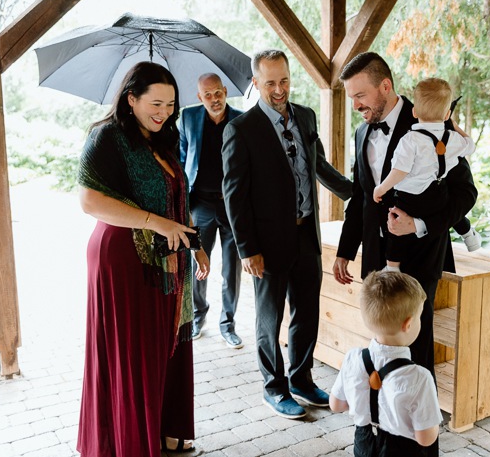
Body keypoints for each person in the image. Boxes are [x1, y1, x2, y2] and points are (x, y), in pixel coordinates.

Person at [332, 52, 477, 455]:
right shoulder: (364, 134)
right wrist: (347, 251)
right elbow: (361, 196)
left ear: (386, 87)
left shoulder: (433, 126)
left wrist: (419, 225)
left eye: (361, 95)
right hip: (377, 262)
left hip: (420, 263)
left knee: (416, 354)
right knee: (381, 348)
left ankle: (420, 446)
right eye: (351, 98)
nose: (356, 105)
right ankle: (376, 438)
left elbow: (466, 193)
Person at [77, 61, 210, 456]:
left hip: (168, 261)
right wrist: (155, 224)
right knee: (133, 353)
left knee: (163, 345)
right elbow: (89, 201)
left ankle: (162, 428)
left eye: (170, 104)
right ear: (130, 99)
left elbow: (176, 200)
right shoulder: (106, 138)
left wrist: (195, 243)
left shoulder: (163, 139)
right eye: (155, 102)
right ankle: (130, 440)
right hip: (122, 259)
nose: (164, 111)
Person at [222, 49, 353, 419]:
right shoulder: (241, 129)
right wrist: (247, 250)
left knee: (306, 313)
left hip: (306, 236)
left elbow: (319, 166)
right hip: (265, 244)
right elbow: (235, 195)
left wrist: (356, 194)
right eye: (270, 83)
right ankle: (274, 388)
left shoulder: (307, 116)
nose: (279, 90)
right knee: (269, 319)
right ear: (255, 83)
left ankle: (301, 379)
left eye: (284, 80)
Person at [330, 271, 442, 457]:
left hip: (364, 442)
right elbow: (426, 438)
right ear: (408, 324)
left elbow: (336, 405)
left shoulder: (352, 358)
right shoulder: (419, 377)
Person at [373, 77, 477, 272]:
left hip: (410, 198)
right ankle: (469, 235)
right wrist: (454, 127)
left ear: (414, 112)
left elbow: (400, 171)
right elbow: (470, 145)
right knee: (444, 202)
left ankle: (392, 268)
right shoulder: (452, 139)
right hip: (435, 194)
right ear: (447, 114)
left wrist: (381, 188)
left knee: (396, 225)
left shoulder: (410, 140)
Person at [179, 73, 244, 348]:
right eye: (208, 95)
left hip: (232, 206)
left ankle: (228, 325)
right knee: (198, 265)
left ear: (225, 91)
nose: (214, 99)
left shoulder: (241, 120)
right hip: (200, 204)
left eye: (218, 93)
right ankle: (197, 317)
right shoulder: (187, 118)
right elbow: (181, 161)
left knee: (232, 269)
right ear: (199, 97)